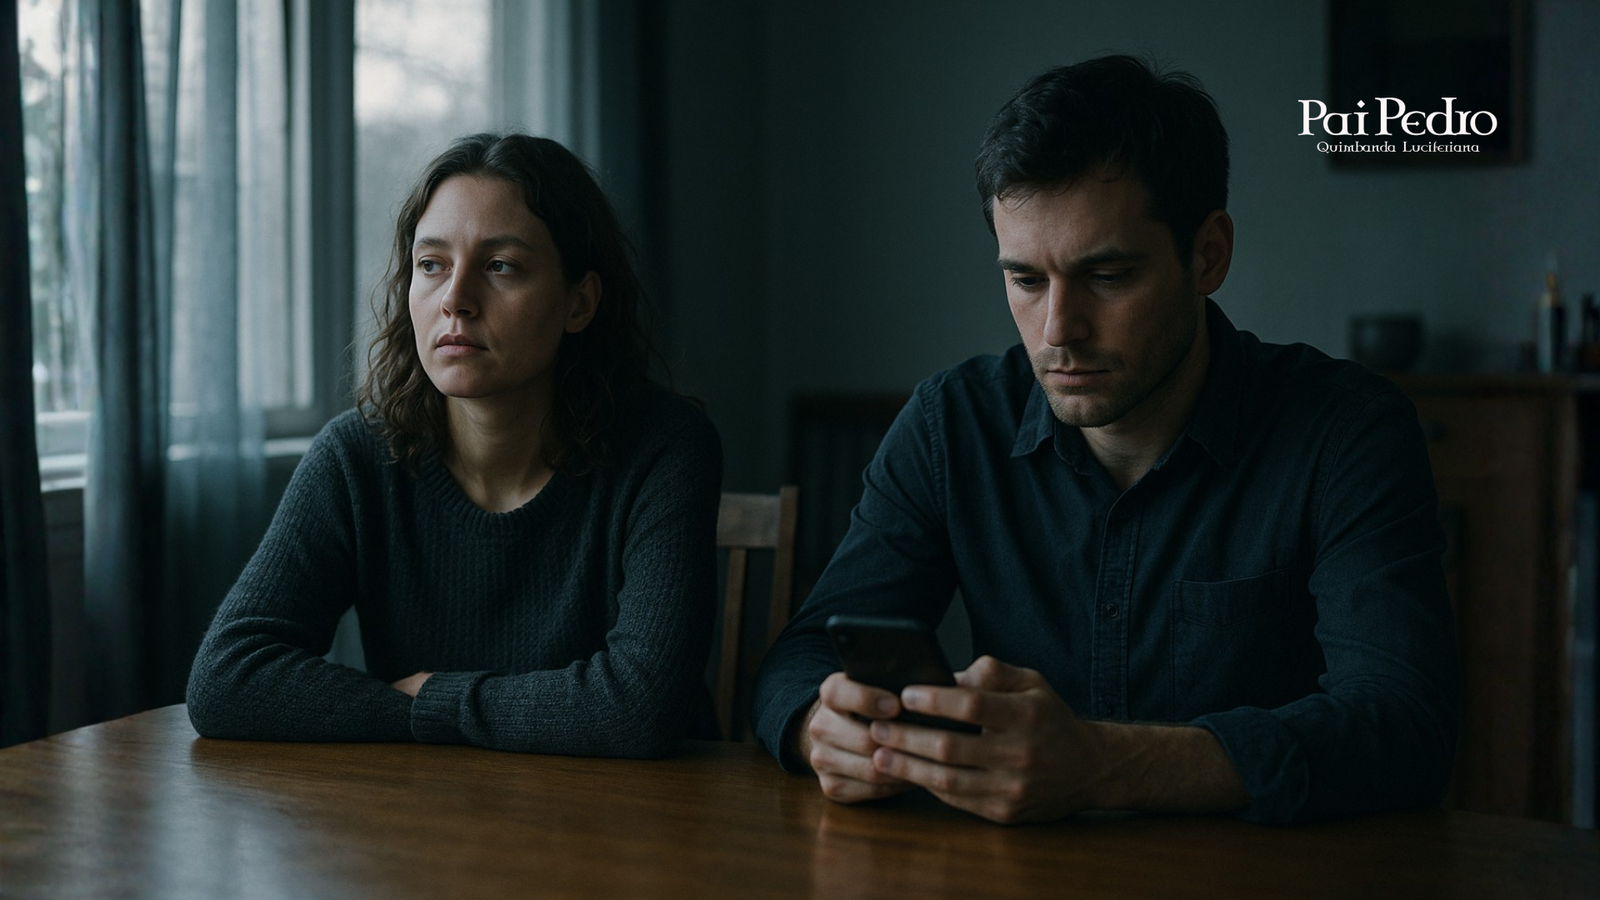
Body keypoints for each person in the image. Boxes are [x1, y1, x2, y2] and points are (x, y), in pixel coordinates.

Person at [751, 56, 1459, 823]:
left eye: (1109, 276)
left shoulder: (1346, 432)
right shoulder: (951, 424)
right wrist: (819, 728)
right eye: (1026, 280)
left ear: (1208, 255)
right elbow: (801, 658)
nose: (1059, 330)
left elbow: (1402, 729)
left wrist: (1106, 765)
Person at [187, 133, 722, 757]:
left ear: (579, 302)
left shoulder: (664, 449)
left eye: (501, 267)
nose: (455, 301)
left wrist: (436, 698)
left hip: (643, 829)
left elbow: (637, 707)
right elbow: (226, 678)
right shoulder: (356, 458)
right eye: (432, 264)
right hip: (434, 826)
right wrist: (412, 714)